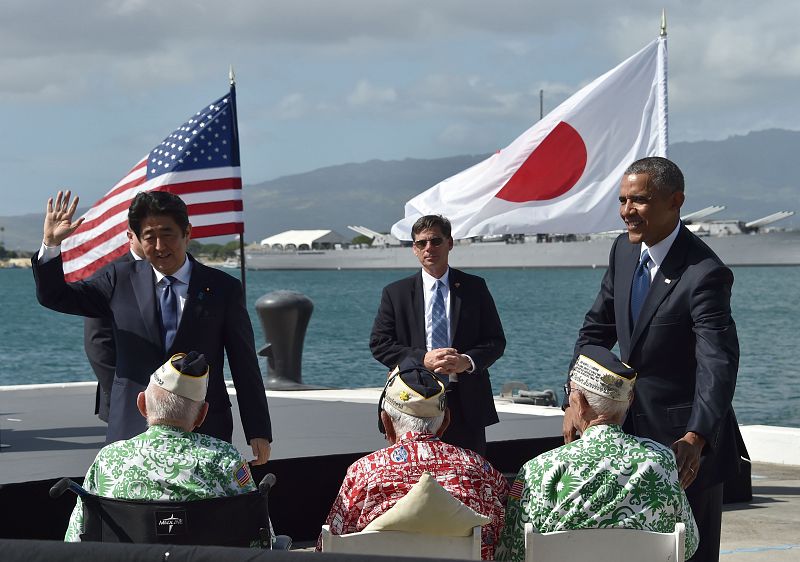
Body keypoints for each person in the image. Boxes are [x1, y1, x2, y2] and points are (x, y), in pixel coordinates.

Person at [563, 157, 741, 562]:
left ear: (675, 200)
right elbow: (594, 332)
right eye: (623, 200)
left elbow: (719, 363)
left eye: (639, 200)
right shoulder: (622, 254)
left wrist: (696, 437)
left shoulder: (705, 272)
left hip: (684, 450)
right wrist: (573, 399)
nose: (627, 211)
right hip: (625, 441)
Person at [32, 190, 271, 465]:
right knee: (131, 507)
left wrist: (258, 430)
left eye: (168, 234)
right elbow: (55, 296)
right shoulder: (117, 279)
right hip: (132, 426)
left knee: (203, 506)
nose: (159, 246)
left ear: (187, 233)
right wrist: (50, 246)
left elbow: (244, 363)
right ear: (136, 238)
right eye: (149, 237)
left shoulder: (222, 288)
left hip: (204, 426)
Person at [496, 346, 698, 561]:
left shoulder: (538, 470)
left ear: (580, 403)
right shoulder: (662, 461)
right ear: (628, 401)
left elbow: (512, 550)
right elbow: (688, 543)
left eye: (569, 392)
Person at [319, 363, 509, 559]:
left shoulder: (362, 472)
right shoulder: (479, 468)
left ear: (385, 422)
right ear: (445, 422)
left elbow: (328, 546)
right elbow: (507, 528)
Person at [64, 352, 257, 542]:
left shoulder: (108, 459)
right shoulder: (225, 459)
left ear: (142, 404)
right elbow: (260, 535)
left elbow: (76, 537)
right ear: (201, 415)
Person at [370, 214, 505, 456]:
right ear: (414, 249)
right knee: (415, 480)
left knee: (467, 480)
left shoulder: (475, 287)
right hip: (412, 403)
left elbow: (495, 341)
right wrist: (423, 359)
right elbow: (380, 344)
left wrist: (468, 361)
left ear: (450, 243)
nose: (428, 248)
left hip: (466, 404)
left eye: (435, 241)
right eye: (421, 243)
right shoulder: (396, 293)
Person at [84, 229, 144, 423]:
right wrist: (121, 394)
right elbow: (98, 343)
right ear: (130, 236)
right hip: (125, 398)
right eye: (148, 235)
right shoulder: (107, 277)